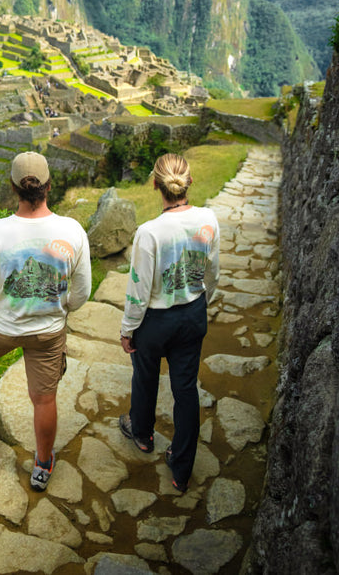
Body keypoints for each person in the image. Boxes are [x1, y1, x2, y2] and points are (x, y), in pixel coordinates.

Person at [0, 151, 92, 491]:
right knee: (44, 398)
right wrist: (62, 307)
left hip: (0, 326)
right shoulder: (72, 230)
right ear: (48, 186)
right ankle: (42, 465)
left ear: (13, 188)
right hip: (48, 332)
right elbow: (82, 292)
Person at [118, 153, 219, 493]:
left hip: (155, 321)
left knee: (145, 377)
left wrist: (128, 328)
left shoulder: (149, 233)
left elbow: (139, 291)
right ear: (189, 182)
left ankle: (143, 434)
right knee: (186, 389)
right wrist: (203, 302)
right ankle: (181, 467)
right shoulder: (208, 220)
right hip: (192, 313)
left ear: (154, 185)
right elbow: (212, 272)